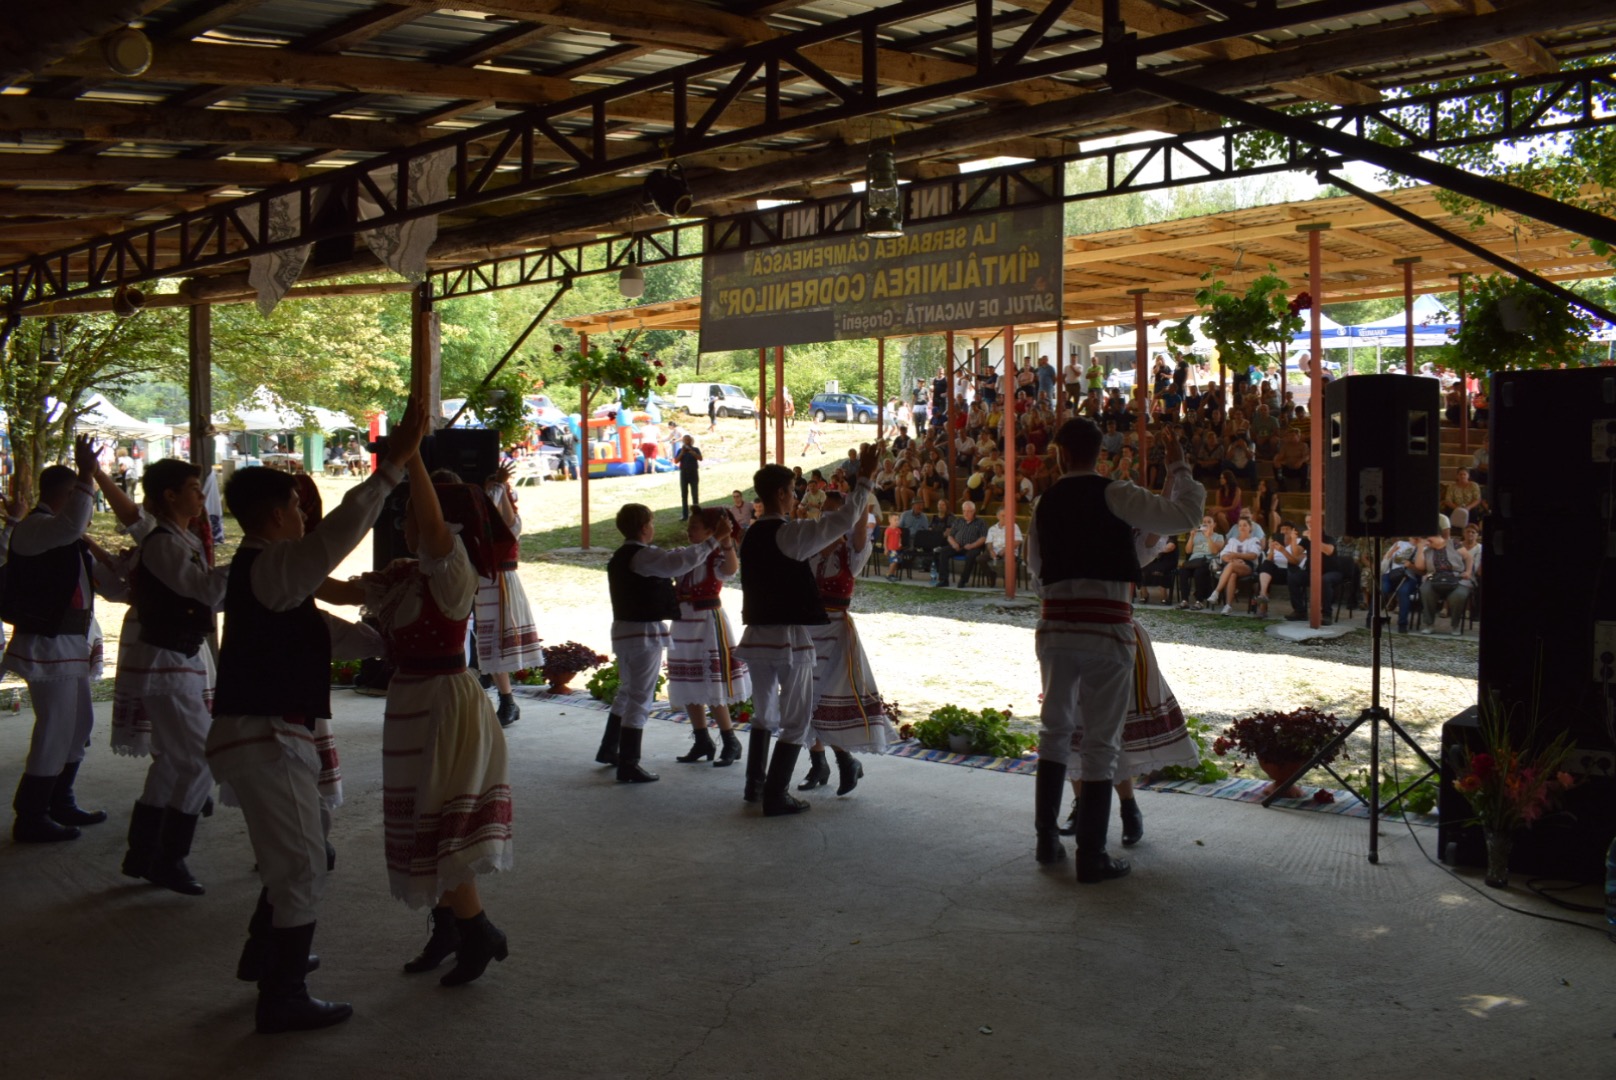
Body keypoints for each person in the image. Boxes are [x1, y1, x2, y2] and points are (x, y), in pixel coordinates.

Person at [204, 399, 426, 1034]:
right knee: (302, 864)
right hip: (264, 735)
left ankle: (268, 958)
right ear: (277, 515)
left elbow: (323, 633)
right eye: (298, 508)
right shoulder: (273, 564)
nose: (306, 517)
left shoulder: (271, 576)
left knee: (297, 857)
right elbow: (337, 536)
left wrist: (386, 632)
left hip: (262, 734)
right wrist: (391, 470)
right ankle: (284, 995)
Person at [341, 462, 514, 987]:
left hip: (445, 705)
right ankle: (450, 929)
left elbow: (436, 531)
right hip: (411, 702)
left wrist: (412, 457)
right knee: (423, 817)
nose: (406, 523)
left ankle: (478, 931)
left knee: (440, 822)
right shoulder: (405, 571)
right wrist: (281, 561)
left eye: (415, 513)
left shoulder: (453, 567)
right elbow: (337, 592)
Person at [1028, 418, 1202, 883]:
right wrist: (1179, 467)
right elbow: (1186, 516)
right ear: (1099, 453)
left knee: (1054, 732)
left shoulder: (1045, 502)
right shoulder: (1117, 494)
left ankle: (1046, 841)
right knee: (1101, 743)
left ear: (1061, 454)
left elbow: (1036, 567)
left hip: (1056, 629)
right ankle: (1092, 855)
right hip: (1106, 629)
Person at [735, 444, 878, 817]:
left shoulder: (752, 535)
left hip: (756, 635)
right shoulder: (789, 535)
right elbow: (844, 519)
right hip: (787, 637)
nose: (794, 497)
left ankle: (755, 785)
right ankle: (775, 795)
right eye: (791, 491)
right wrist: (865, 479)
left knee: (765, 714)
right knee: (796, 720)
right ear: (783, 493)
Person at [110, 458, 228, 895]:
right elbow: (204, 590)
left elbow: (206, 593)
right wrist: (252, 563)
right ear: (170, 496)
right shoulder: (162, 543)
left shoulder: (180, 539)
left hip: (176, 659)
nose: (201, 495)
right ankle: (168, 856)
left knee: (174, 760)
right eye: (194, 487)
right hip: (166, 662)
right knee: (201, 757)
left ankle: (144, 853)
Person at [2, 436, 118, 844]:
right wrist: (88, 474)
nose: (84, 503)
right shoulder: (35, 529)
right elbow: (71, 525)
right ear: (66, 495)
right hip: (48, 645)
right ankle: (31, 814)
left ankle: (59, 800)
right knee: (56, 728)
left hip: (70, 645)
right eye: (79, 493)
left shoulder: (66, 538)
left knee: (79, 724)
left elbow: (105, 585)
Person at [595, 502, 732, 783]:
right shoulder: (643, 556)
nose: (653, 528)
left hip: (625, 631)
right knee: (639, 698)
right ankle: (629, 763)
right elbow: (679, 563)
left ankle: (610, 748)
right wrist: (715, 538)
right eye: (651, 523)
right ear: (644, 527)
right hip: (642, 633)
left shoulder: (623, 555)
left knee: (628, 692)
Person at [798, 489, 896, 796]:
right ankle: (819, 763)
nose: (826, 517)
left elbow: (859, 529)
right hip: (807, 629)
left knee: (827, 695)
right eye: (824, 511)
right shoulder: (811, 548)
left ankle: (845, 761)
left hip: (836, 630)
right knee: (804, 697)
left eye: (834, 512)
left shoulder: (851, 552)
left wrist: (861, 497)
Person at [665, 509, 750, 767]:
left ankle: (730, 740)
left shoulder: (716, 556)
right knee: (688, 680)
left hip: (707, 623)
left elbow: (731, 569)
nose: (689, 530)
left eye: (695, 526)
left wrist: (726, 542)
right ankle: (702, 738)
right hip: (683, 623)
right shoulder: (683, 554)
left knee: (712, 682)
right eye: (689, 526)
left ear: (710, 531)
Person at [472, 464, 543, 728]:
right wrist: (496, 487)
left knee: (497, 641)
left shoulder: (510, 522)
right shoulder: (483, 523)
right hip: (484, 582)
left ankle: (508, 701)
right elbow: (484, 513)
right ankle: (505, 699)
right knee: (487, 642)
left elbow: (492, 514)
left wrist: (499, 487)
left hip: (501, 582)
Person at [1414, 521, 1474, 636]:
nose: (1426, 542)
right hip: (1435, 578)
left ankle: (1455, 625)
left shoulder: (1453, 544)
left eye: (1427, 538)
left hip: (1457, 577)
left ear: (1434, 536)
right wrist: (1420, 547)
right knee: (1425, 590)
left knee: (1458, 595)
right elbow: (1419, 566)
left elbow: (1468, 558)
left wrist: (1468, 571)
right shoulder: (1427, 550)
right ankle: (1429, 624)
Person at [1207, 516, 1261, 615]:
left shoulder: (1254, 540)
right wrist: (1234, 559)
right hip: (1232, 564)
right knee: (1232, 574)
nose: (1242, 527)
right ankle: (1228, 606)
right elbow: (1223, 555)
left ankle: (1216, 592)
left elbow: (1253, 555)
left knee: (1231, 566)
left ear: (1250, 527)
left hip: (1247, 566)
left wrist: (1236, 555)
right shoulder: (1232, 540)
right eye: (1240, 525)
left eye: (1245, 525)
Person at [933, 500, 988, 587]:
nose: (966, 513)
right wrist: (954, 544)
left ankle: (963, 580)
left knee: (971, 555)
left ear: (974, 511)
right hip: (957, 545)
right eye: (964, 511)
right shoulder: (958, 521)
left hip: (973, 547)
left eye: (969, 511)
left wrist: (972, 545)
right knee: (943, 551)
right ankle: (944, 580)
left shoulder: (981, 522)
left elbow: (983, 538)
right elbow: (950, 536)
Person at [986, 507, 1023, 587]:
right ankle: (992, 576)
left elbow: (1018, 541)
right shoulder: (992, 528)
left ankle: (1007, 582)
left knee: (1007, 559)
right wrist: (991, 551)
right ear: (998, 516)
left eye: (1007, 515)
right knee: (980, 559)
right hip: (995, 551)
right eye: (1003, 515)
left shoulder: (1014, 526)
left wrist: (1005, 549)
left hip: (1010, 551)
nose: (1005, 517)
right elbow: (989, 543)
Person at [675, 434, 703, 520]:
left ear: (691, 441)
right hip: (684, 473)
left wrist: (692, 452)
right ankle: (685, 515)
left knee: (695, 494)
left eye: (688, 440)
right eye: (685, 440)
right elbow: (676, 461)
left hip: (693, 473)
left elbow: (700, 458)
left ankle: (696, 513)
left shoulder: (695, 449)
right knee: (684, 495)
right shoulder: (680, 450)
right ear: (683, 441)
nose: (687, 441)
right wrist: (682, 453)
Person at [883, 512, 904, 581]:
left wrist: (900, 543)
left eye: (898, 520)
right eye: (895, 520)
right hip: (891, 549)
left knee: (896, 562)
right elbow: (885, 540)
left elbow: (899, 538)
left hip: (897, 549)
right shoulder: (888, 530)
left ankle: (892, 574)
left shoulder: (898, 530)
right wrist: (886, 549)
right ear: (890, 520)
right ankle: (889, 574)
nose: (897, 521)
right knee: (894, 561)